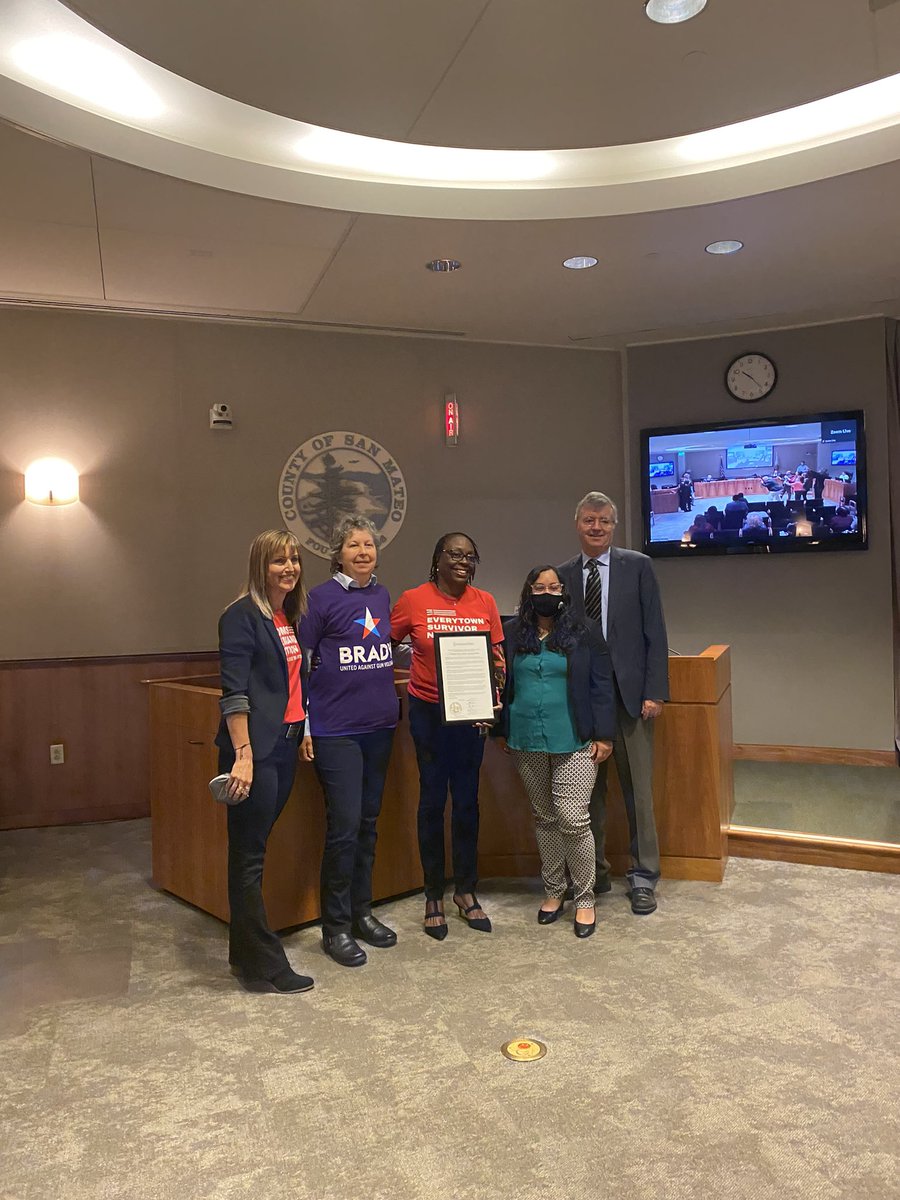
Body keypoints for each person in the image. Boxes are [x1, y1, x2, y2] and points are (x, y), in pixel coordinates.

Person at [558, 492, 669, 915]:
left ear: (613, 525)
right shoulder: (564, 574)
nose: (597, 527)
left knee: (638, 792)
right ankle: (594, 872)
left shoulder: (638, 566)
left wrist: (654, 690)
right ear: (577, 524)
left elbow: (655, 631)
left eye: (604, 521)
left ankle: (643, 877)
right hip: (583, 703)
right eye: (589, 520)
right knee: (587, 796)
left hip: (631, 699)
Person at [391, 533, 505, 939]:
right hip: (428, 712)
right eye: (454, 554)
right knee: (432, 802)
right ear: (437, 558)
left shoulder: (485, 602)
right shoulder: (412, 599)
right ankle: (433, 894)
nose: (463, 561)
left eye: (470, 556)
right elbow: (386, 645)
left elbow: (496, 658)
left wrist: (493, 701)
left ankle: (466, 890)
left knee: (468, 804)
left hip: (472, 716)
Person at [216, 529, 314, 994]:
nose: (289, 567)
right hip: (254, 754)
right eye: (279, 561)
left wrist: (304, 731)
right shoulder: (241, 617)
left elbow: (292, 687)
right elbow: (233, 693)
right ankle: (267, 965)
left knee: (253, 852)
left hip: (286, 744)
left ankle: (244, 956)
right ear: (261, 565)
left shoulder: (284, 615)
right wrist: (243, 756)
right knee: (248, 858)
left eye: (294, 559)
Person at [300, 518, 399, 968]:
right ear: (337, 553)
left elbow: (382, 649)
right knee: (343, 828)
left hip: (379, 726)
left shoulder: (381, 596)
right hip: (335, 730)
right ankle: (335, 928)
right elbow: (298, 664)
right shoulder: (318, 600)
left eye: (369, 544)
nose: (363, 551)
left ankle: (362, 913)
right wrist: (303, 725)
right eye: (353, 545)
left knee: (369, 824)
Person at [495, 567, 614, 938]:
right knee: (544, 817)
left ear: (563, 591)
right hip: (525, 736)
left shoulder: (585, 631)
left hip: (575, 739)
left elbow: (601, 684)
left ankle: (584, 898)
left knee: (573, 818)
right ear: (528, 591)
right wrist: (500, 729)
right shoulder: (512, 632)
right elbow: (501, 682)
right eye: (540, 586)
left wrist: (605, 735)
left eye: (554, 586)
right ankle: (553, 891)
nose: (547, 592)